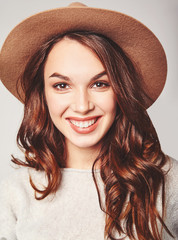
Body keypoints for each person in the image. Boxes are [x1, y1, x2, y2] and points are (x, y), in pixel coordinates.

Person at [0, 2, 177, 240]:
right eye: (62, 85)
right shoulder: (15, 191)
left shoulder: (168, 180)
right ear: (42, 94)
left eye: (100, 84)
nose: (82, 106)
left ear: (120, 91)